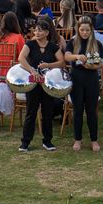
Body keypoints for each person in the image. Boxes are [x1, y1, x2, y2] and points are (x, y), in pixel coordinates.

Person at [17, 18, 65, 152]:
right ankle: (25, 142)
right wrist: (31, 69)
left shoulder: (53, 47)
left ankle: (47, 141)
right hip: (33, 82)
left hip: (47, 83)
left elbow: (62, 62)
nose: (37, 32)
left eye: (40, 30)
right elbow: (21, 58)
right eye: (36, 30)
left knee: (47, 112)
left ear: (47, 32)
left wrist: (48, 65)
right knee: (31, 112)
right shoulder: (30, 44)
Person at [64, 17, 103, 152]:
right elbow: (67, 56)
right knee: (78, 110)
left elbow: (101, 63)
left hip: (91, 78)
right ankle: (78, 139)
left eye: (87, 30)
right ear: (78, 29)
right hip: (77, 78)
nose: (85, 32)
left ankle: (94, 140)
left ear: (91, 30)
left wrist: (92, 66)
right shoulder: (73, 42)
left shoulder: (97, 44)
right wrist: (77, 56)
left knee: (91, 110)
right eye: (82, 30)